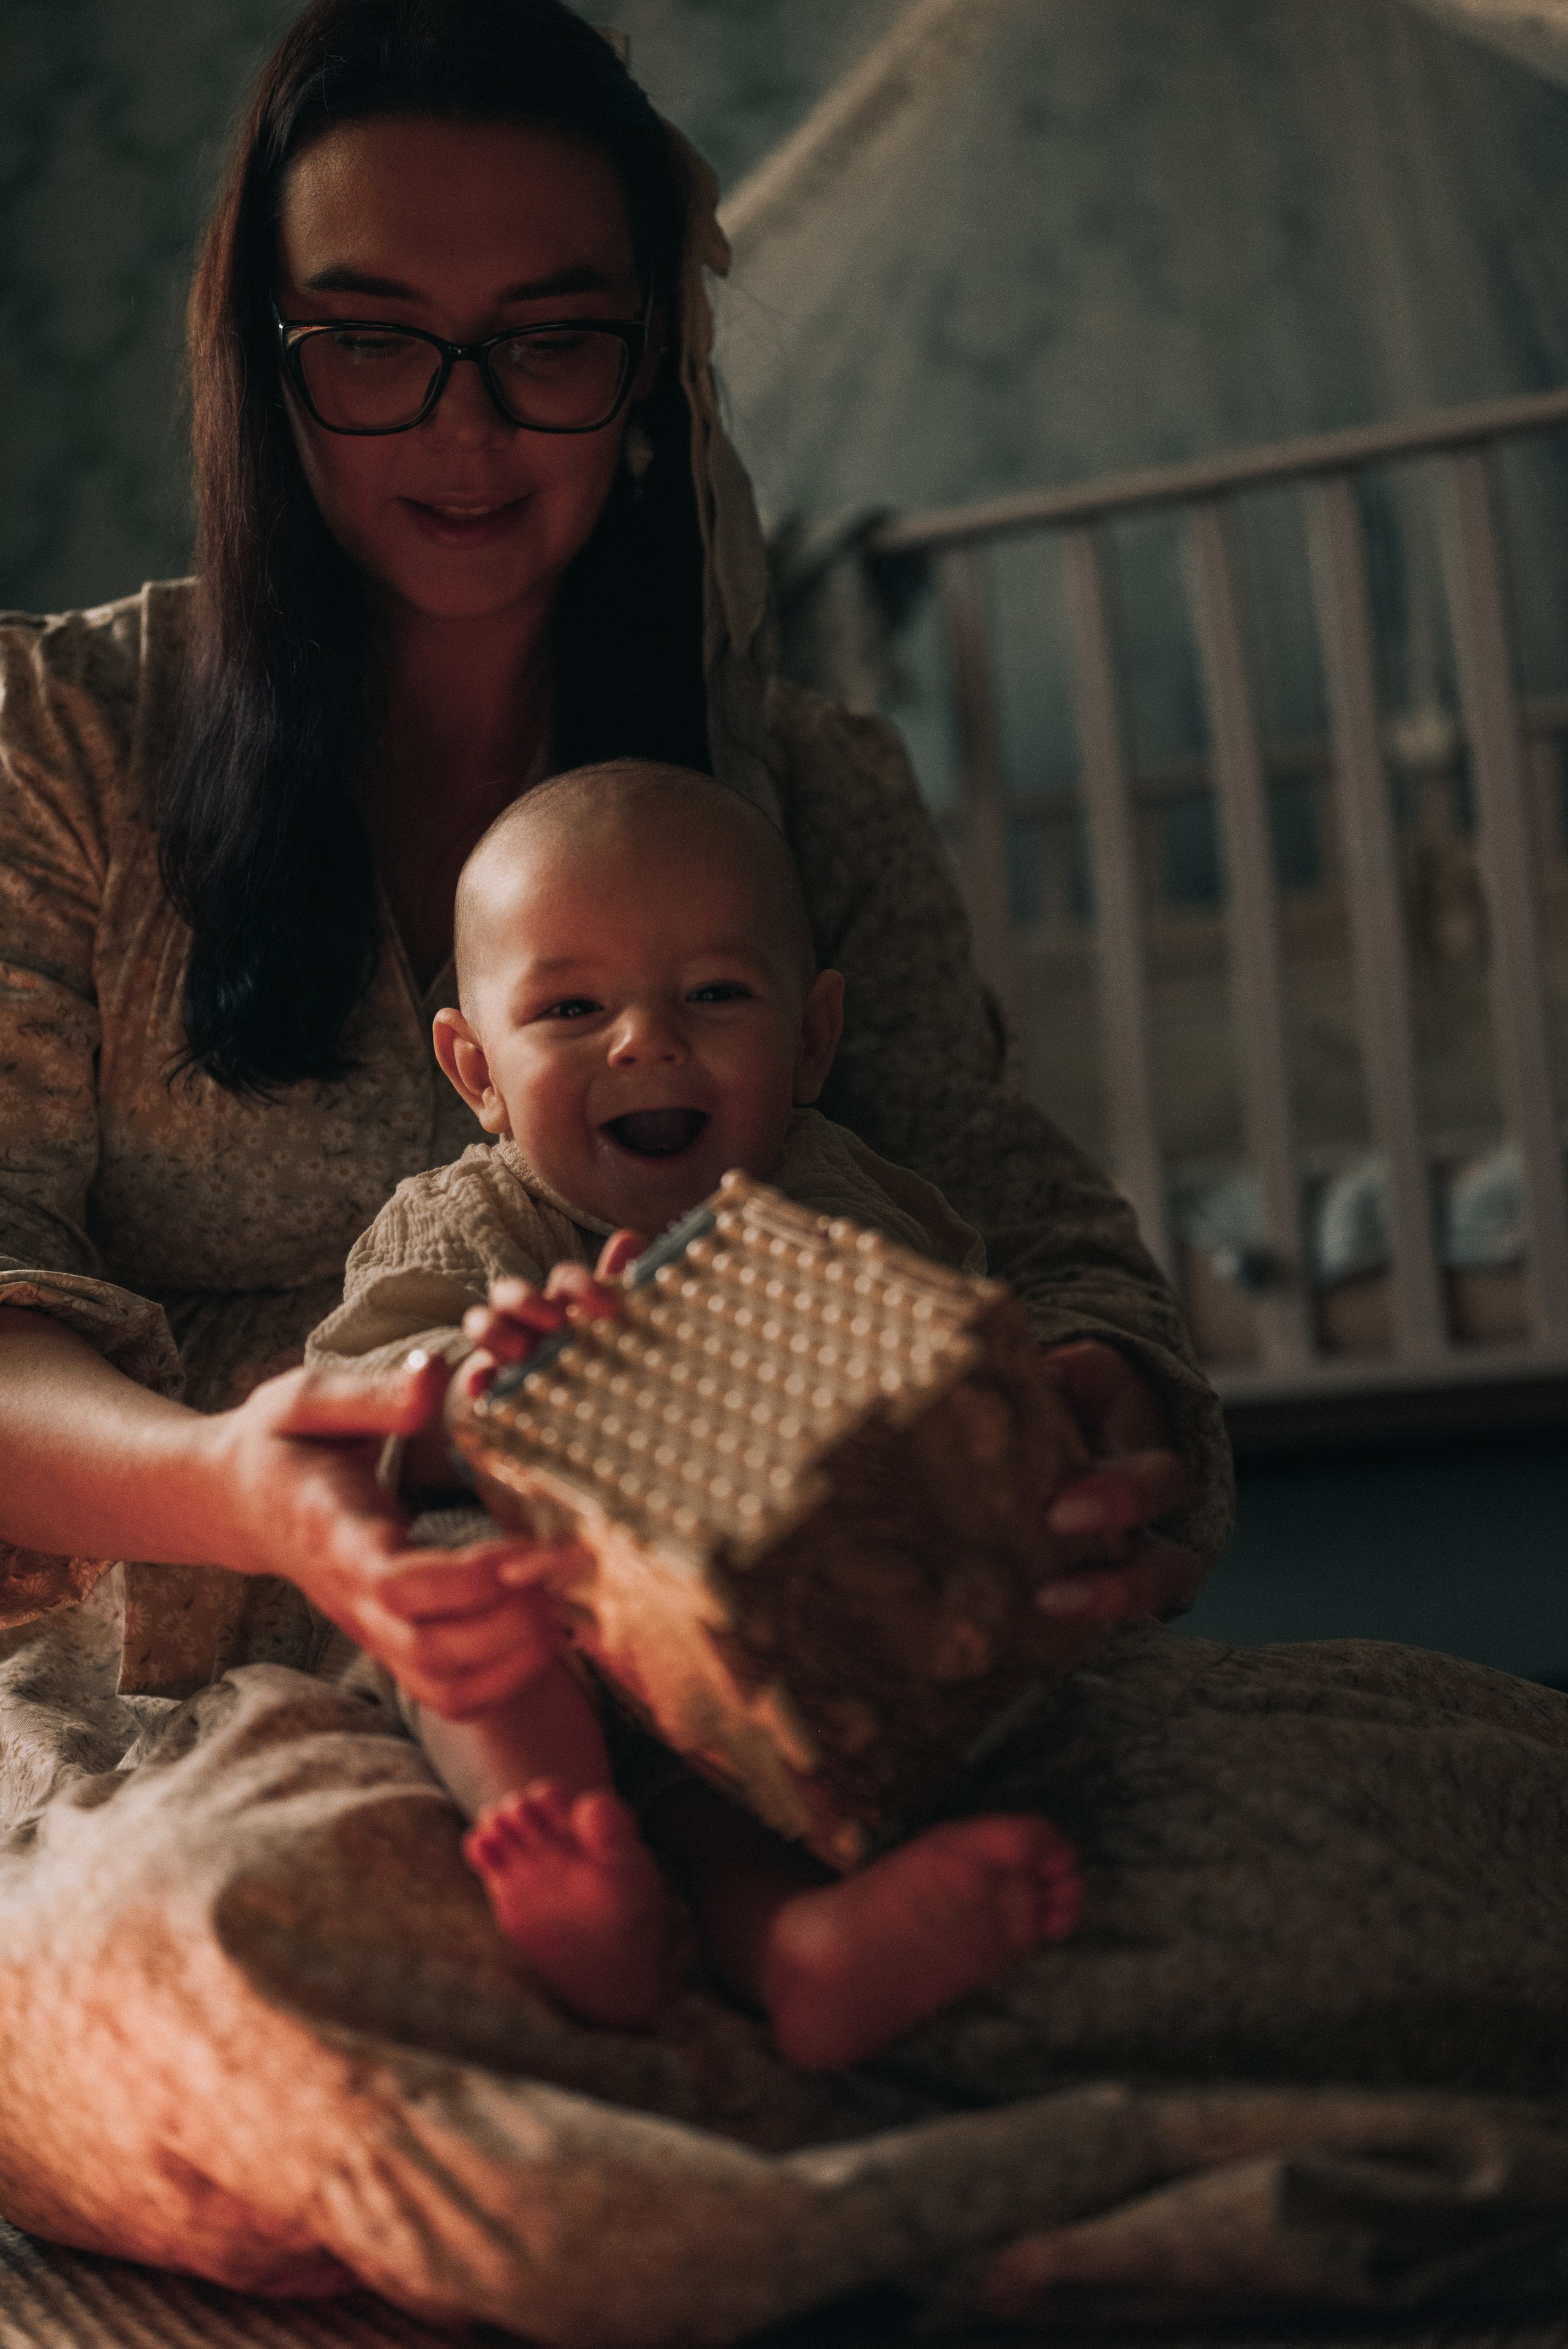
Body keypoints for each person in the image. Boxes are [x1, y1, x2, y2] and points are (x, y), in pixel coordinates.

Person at [0, 0, 1230, 1751]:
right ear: (265, 368)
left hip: (784, 1681)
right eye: (373, 341)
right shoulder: (61, 743)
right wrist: (234, 1479)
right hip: (216, 1687)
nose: (466, 428)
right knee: (273, 1950)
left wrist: (1095, 1407)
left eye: (550, 341)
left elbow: (1028, 1231)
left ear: (649, 362)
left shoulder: (801, 789)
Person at [307, 758, 1090, 2064]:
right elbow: (347, 1397)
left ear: (812, 1041)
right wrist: (467, 1383)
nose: (645, 1041)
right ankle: (564, 1857)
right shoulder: (460, 1222)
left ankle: (796, 1950)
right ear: (475, 1070)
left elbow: (955, 1361)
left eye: (714, 994)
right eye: (569, 1006)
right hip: (566, 1613)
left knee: (771, 1774)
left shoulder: (845, 1203)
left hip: (784, 1637)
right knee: (468, 1610)